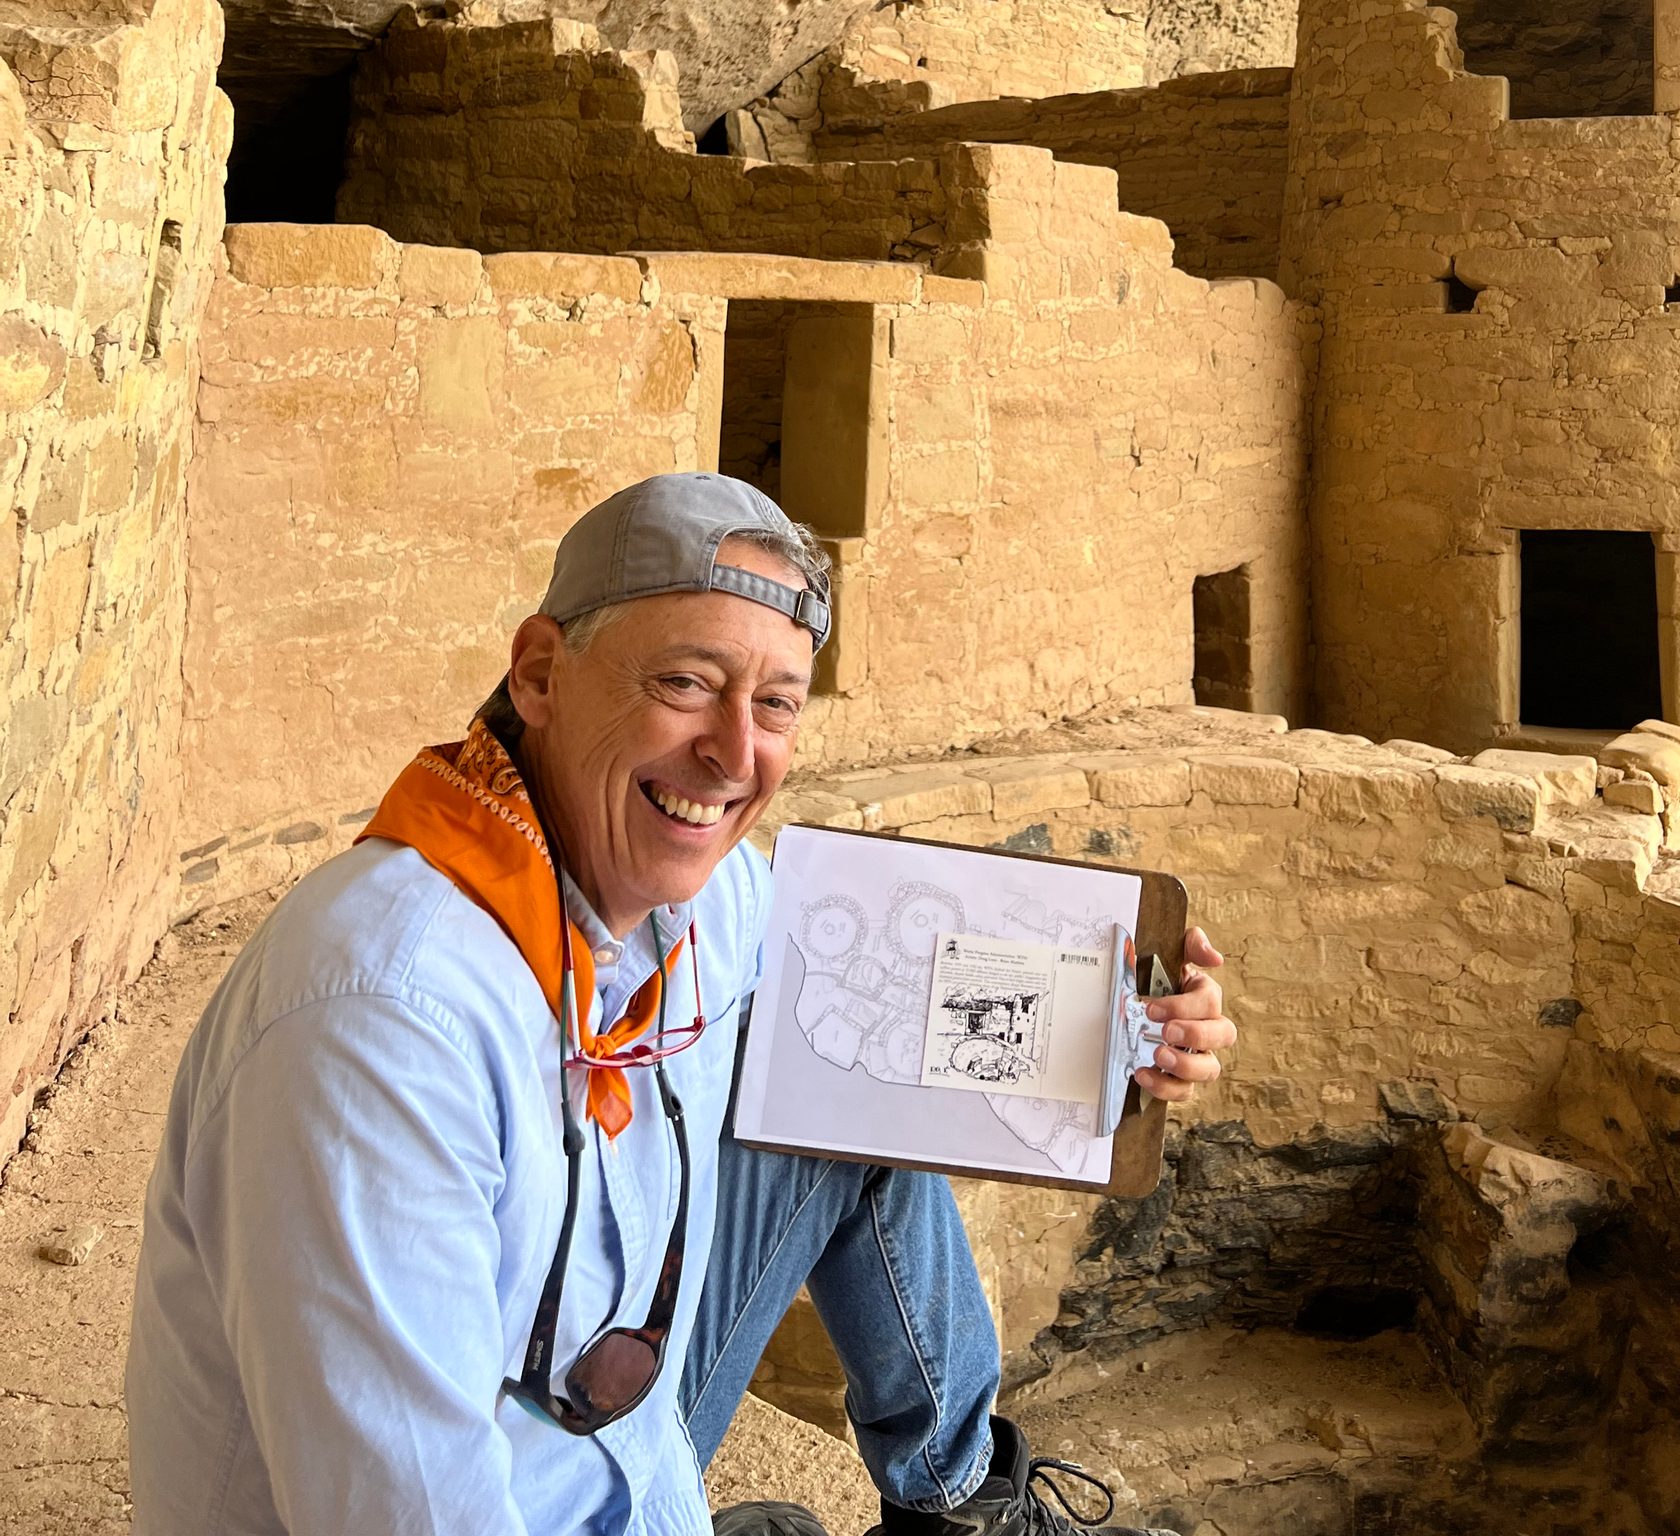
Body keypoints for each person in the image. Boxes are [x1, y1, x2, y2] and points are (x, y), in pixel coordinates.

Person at [125, 473, 1236, 1536]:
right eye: (686, 684)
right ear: (540, 675)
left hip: (621, 1454)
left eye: (778, 705)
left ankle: (960, 1505)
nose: (734, 753)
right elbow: (409, 1505)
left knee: (853, 1098)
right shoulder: (384, 1021)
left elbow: (916, 1002)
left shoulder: (689, 898)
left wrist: (1120, 1031)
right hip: (515, 1493)